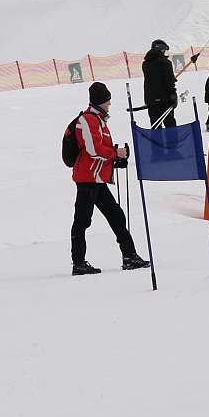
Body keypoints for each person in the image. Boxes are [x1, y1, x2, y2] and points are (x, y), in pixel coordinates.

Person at [70, 83, 149, 276]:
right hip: (87, 179)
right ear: (100, 101)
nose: (110, 104)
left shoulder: (99, 120)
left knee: (116, 215)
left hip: (96, 179)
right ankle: (78, 263)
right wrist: (115, 153)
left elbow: (98, 151)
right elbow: (92, 150)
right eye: (107, 101)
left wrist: (115, 159)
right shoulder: (88, 120)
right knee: (82, 221)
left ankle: (129, 256)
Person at [142, 39, 177, 128]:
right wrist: (173, 96)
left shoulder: (145, 63)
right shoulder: (165, 63)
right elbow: (169, 83)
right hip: (164, 100)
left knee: (156, 127)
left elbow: (154, 79)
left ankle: (158, 142)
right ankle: (173, 142)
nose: (165, 52)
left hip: (151, 101)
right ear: (161, 49)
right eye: (164, 50)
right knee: (170, 127)